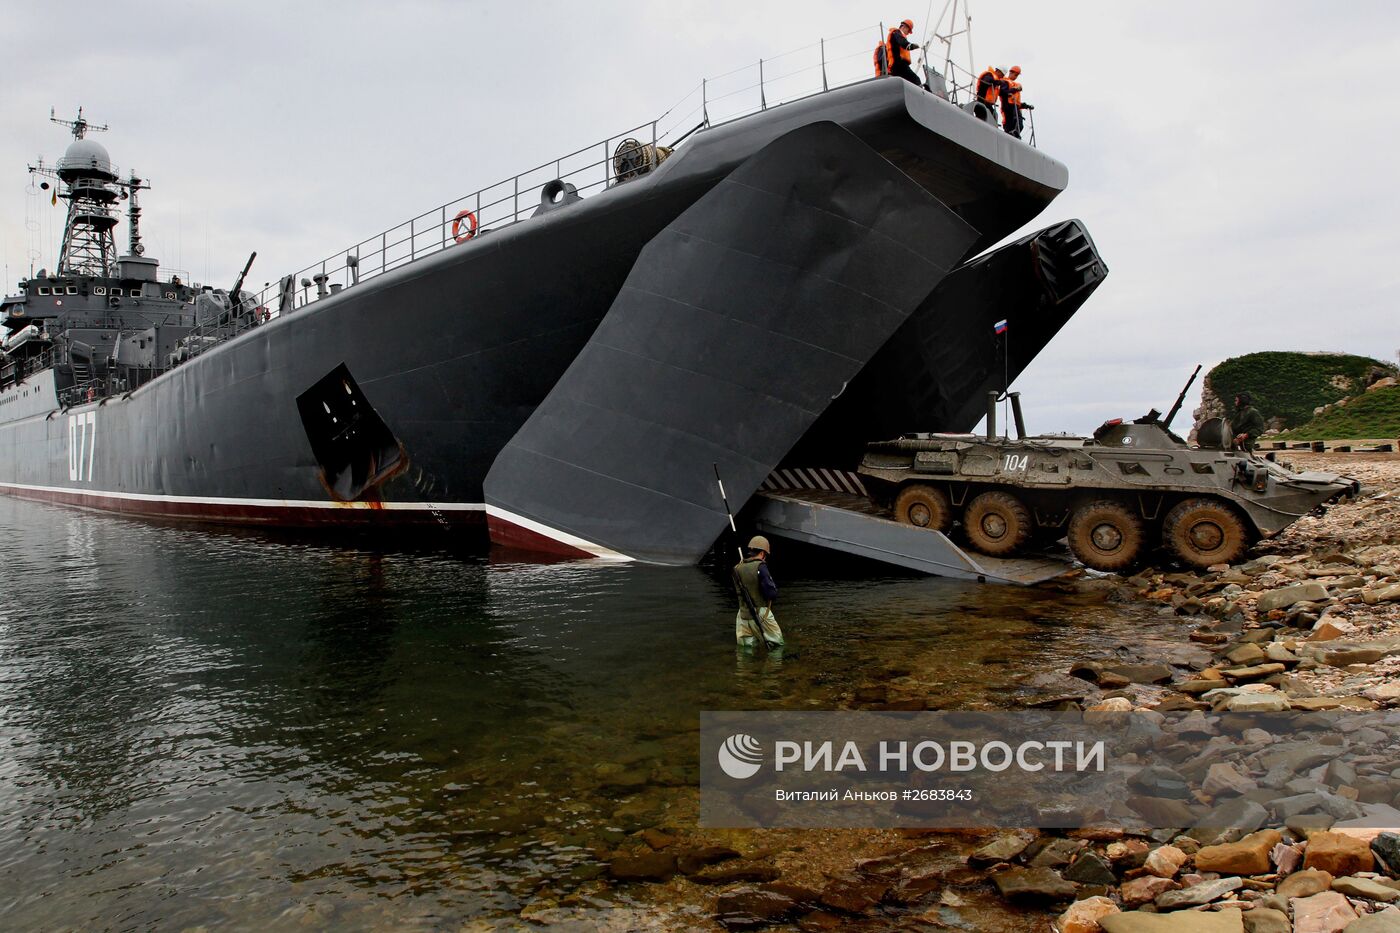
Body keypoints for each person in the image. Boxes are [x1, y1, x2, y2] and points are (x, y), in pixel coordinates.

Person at [733, 535, 784, 650]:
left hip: (742, 615)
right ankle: (776, 667)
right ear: (762, 553)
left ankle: (747, 668)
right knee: (777, 646)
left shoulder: (737, 568)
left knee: (745, 650)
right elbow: (771, 593)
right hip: (761, 613)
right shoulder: (761, 566)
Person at [1000, 65, 1034, 137]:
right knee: (1011, 124)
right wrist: (1016, 89)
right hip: (1008, 106)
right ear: (1010, 72)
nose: (1016, 77)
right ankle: (1011, 134)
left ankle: (1014, 135)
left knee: (1019, 125)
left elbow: (1016, 102)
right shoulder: (1005, 81)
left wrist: (1025, 106)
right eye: (1015, 75)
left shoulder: (1013, 84)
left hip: (1014, 107)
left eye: (1017, 75)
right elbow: (1003, 93)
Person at [886, 19, 922, 86]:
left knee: (905, 83)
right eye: (908, 31)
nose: (908, 33)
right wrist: (911, 46)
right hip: (899, 65)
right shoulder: (896, 33)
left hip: (895, 67)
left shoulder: (896, 34)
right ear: (904, 27)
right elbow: (903, 43)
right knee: (916, 80)